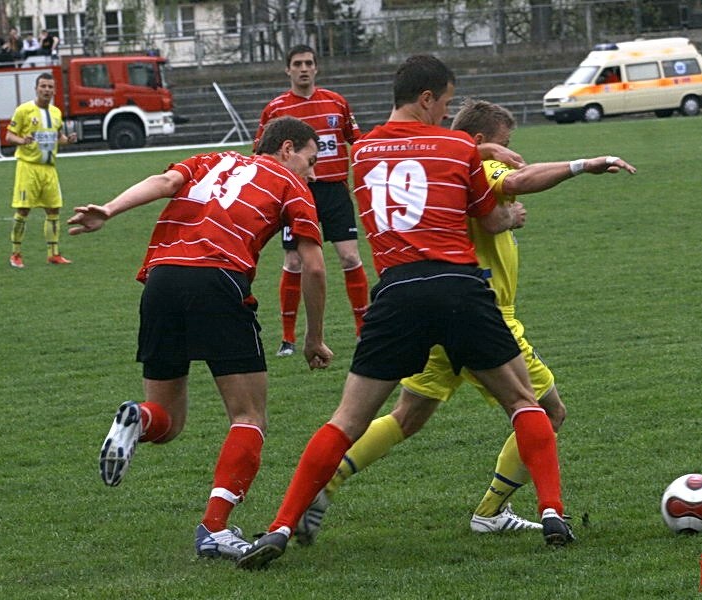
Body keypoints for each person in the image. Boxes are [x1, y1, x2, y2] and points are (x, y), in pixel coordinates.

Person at [237, 55, 571, 571]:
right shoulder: (458, 146)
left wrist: (478, 146)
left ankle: (281, 526)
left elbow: (413, 151)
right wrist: (486, 155)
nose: (443, 114)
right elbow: (490, 214)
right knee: (526, 403)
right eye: (442, 102)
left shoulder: (363, 149)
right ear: (428, 99)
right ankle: (552, 513)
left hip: (396, 293)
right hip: (460, 288)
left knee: (348, 418)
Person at [292, 99, 637, 545]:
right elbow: (518, 180)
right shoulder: (479, 167)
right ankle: (493, 510)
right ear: (477, 141)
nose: (512, 151)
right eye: (505, 143)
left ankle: (325, 484)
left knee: (408, 415)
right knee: (547, 411)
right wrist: (582, 164)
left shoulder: (444, 164)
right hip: (483, 315)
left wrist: (491, 158)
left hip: (433, 312)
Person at [66, 116, 335, 561]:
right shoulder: (290, 183)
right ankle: (214, 528)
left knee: (166, 422)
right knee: (249, 416)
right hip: (218, 280)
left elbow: (164, 179)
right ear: (287, 149)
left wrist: (109, 210)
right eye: (311, 159)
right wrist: (314, 337)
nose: (313, 170)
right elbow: (316, 266)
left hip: (161, 279)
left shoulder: (211, 159)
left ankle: (136, 416)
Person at [252, 44, 369, 357]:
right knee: (293, 261)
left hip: (333, 190)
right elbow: (260, 154)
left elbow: (357, 143)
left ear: (316, 68)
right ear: (287, 70)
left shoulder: (336, 103)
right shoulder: (275, 109)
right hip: (293, 191)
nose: (303, 68)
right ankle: (288, 340)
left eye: (308, 63)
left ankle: (363, 331)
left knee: (349, 257)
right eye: (297, 64)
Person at [7, 72, 77, 268]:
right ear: (36, 88)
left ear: (54, 90)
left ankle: (53, 254)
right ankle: (15, 254)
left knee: (54, 209)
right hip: (28, 168)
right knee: (23, 210)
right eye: (43, 86)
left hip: (49, 169)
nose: (46, 90)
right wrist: (22, 140)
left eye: (50, 87)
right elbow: (9, 136)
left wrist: (67, 140)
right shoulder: (24, 110)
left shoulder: (55, 113)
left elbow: (58, 137)